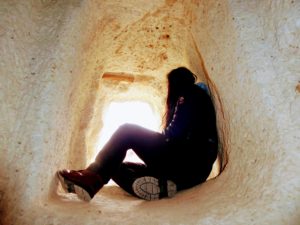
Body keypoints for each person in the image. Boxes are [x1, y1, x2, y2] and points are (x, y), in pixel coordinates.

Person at [56, 67, 219, 201]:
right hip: (190, 174)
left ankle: (91, 177)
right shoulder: (200, 98)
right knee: (115, 166)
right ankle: (161, 186)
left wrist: (150, 141)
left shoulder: (189, 94)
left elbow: (173, 136)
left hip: (184, 161)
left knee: (127, 131)